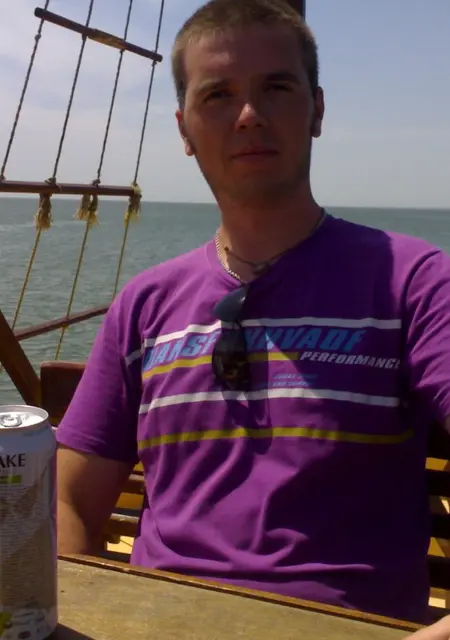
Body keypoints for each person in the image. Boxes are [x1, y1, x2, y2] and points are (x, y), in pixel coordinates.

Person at [56, 0, 450, 633]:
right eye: (218, 95)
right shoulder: (145, 306)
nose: (248, 115)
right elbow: (68, 499)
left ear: (317, 109)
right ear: (184, 129)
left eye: (276, 87)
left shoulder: (415, 285)